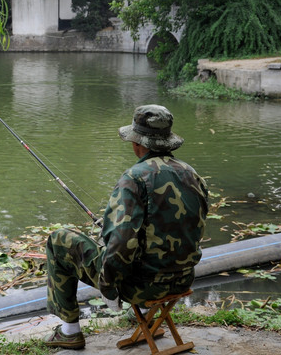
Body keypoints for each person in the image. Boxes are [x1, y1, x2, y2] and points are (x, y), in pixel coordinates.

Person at [43, 104, 209, 349]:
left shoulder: (134, 178)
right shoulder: (192, 174)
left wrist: (108, 286)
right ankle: (148, 316)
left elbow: (121, 243)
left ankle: (69, 331)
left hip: (141, 287)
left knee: (58, 241)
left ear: (137, 143)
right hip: (183, 280)